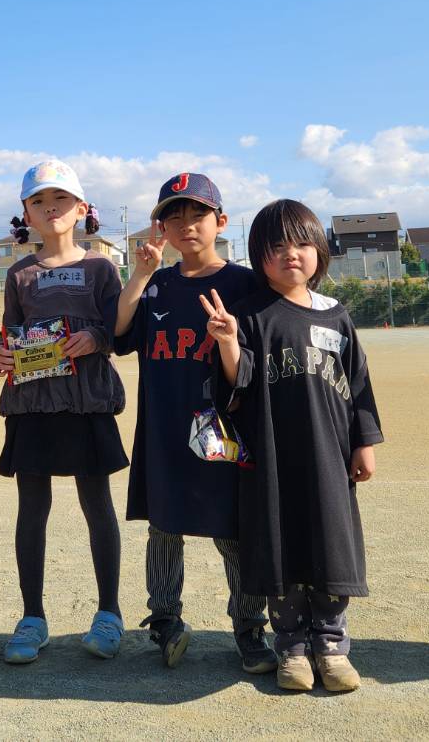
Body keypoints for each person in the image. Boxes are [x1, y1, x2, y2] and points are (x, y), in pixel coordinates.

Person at [204, 199, 381, 693]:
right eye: (277, 246)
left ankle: (332, 645)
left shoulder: (336, 315)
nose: (291, 254)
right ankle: (293, 647)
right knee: (279, 547)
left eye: (302, 243)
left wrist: (364, 442)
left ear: (320, 250)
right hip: (272, 458)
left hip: (329, 455)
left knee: (331, 542)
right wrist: (227, 342)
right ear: (258, 255)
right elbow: (237, 382)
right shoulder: (249, 314)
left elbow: (359, 385)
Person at [113, 173, 273, 672]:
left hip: (228, 428)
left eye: (197, 213)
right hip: (165, 427)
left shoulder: (246, 284)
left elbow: (253, 365)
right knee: (164, 527)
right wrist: (140, 275)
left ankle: (249, 626)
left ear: (220, 222)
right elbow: (118, 334)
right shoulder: (157, 284)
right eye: (174, 215)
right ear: (161, 227)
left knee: (235, 531)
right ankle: (165, 620)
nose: (186, 224)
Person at [0, 160, 127, 663]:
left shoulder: (101, 268)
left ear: (82, 208)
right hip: (32, 404)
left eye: (61, 199)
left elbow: (119, 330)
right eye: (39, 201)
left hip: (86, 401)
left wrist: (97, 337)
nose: (51, 208)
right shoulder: (19, 273)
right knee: (32, 508)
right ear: (25, 213)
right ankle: (32, 617)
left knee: (97, 504)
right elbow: (8, 333)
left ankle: (109, 613)